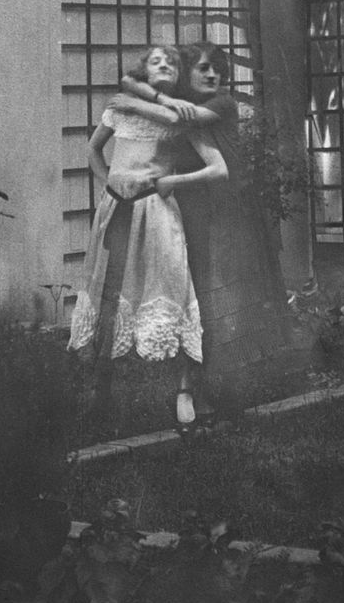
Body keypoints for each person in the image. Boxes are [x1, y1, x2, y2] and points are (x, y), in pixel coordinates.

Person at [119, 41, 309, 420]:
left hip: (229, 209)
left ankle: (216, 390)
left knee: (223, 298)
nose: (212, 75)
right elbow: (128, 82)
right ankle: (197, 389)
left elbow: (169, 118)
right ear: (187, 74)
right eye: (202, 68)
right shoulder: (183, 103)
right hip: (196, 206)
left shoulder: (220, 104)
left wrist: (147, 97)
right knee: (199, 297)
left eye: (217, 69)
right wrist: (158, 92)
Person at [68, 44, 227, 432]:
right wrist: (107, 183)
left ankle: (184, 391)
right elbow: (92, 149)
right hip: (116, 212)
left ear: (178, 74)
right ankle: (102, 392)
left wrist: (171, 181)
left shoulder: (178, 118)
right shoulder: (120, 109)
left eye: (170, 63)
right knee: (110, 292)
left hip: (156, 214)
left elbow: (217, 167)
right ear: (143, 69)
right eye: (154, 61)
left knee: (172, 291)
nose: (162, 66)